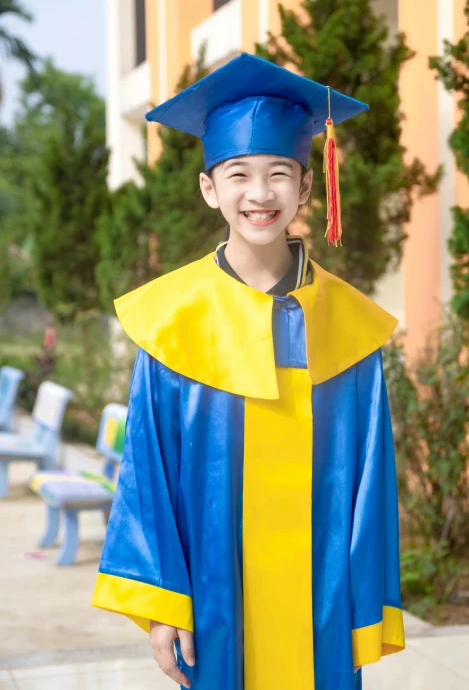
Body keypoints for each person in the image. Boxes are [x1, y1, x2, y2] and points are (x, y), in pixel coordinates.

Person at [91, 52, 406, 690]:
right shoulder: (171, 322)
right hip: (213, 602)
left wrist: (362, 606)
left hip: (323, 601)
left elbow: (371, 486)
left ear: (308, 187)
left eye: (279, 174)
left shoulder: (350, 330)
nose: (259, 194)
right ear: (210, 187)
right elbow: (148, 477)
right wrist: (163, 606)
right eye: (238, 174)